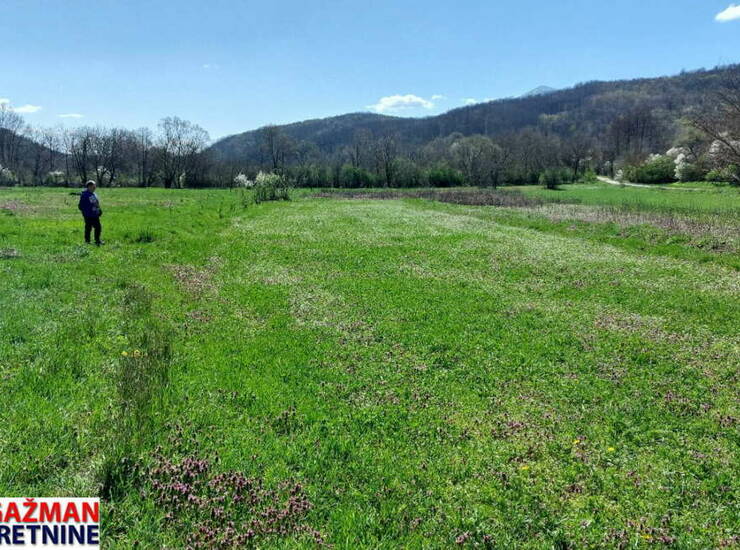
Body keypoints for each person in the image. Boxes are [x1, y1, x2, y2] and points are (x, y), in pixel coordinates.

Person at [78, 180, 104, 245]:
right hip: (88, 215)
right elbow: (80, 206)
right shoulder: (85, 195)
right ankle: (88, 241)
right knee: (89, 228)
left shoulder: (93, 194)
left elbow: (96, 203)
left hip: (95, 214)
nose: (95, 188)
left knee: (97, 227)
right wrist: (86, 212)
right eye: (93, 187)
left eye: (95, 186)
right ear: (89, 187)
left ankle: (96, 240)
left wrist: (99, 210)